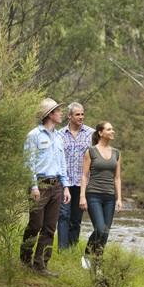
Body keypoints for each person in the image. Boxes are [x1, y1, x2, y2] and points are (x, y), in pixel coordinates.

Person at [21, 98, 70, 276]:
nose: (61, 113)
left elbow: (62, 162)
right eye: (58, 111)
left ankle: (41, 265)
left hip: (56, 185)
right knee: (35, 224)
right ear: (50, 114)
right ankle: (25, 260)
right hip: (39, 186)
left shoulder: (58, 137)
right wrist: (33, 186)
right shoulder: (34, 135)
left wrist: (65, 187)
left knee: (50, 227)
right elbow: (28, 162)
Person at [79, 121, 123, 265]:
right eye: (109, 129)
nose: (112, 131)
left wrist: (119, 199)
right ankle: (86, 255)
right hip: (94, 195)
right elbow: (84, 176)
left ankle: (98, 262)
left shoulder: (116, 153)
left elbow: (117, 177)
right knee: (100, 228)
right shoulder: (91, 151)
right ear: (100, 133)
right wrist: (82, 196)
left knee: (105, 232)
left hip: (109, 197)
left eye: (112, 129)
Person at [57, 102, 94, 249]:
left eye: (82, 114)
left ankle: (71, 248)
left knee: (76, 219)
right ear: (69, 116)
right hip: (64, 183)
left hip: (82, 183)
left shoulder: (91, 134)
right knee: (63, 215)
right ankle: (62, 249)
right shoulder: (59, 135)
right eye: (77, 114)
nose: (81, 117)